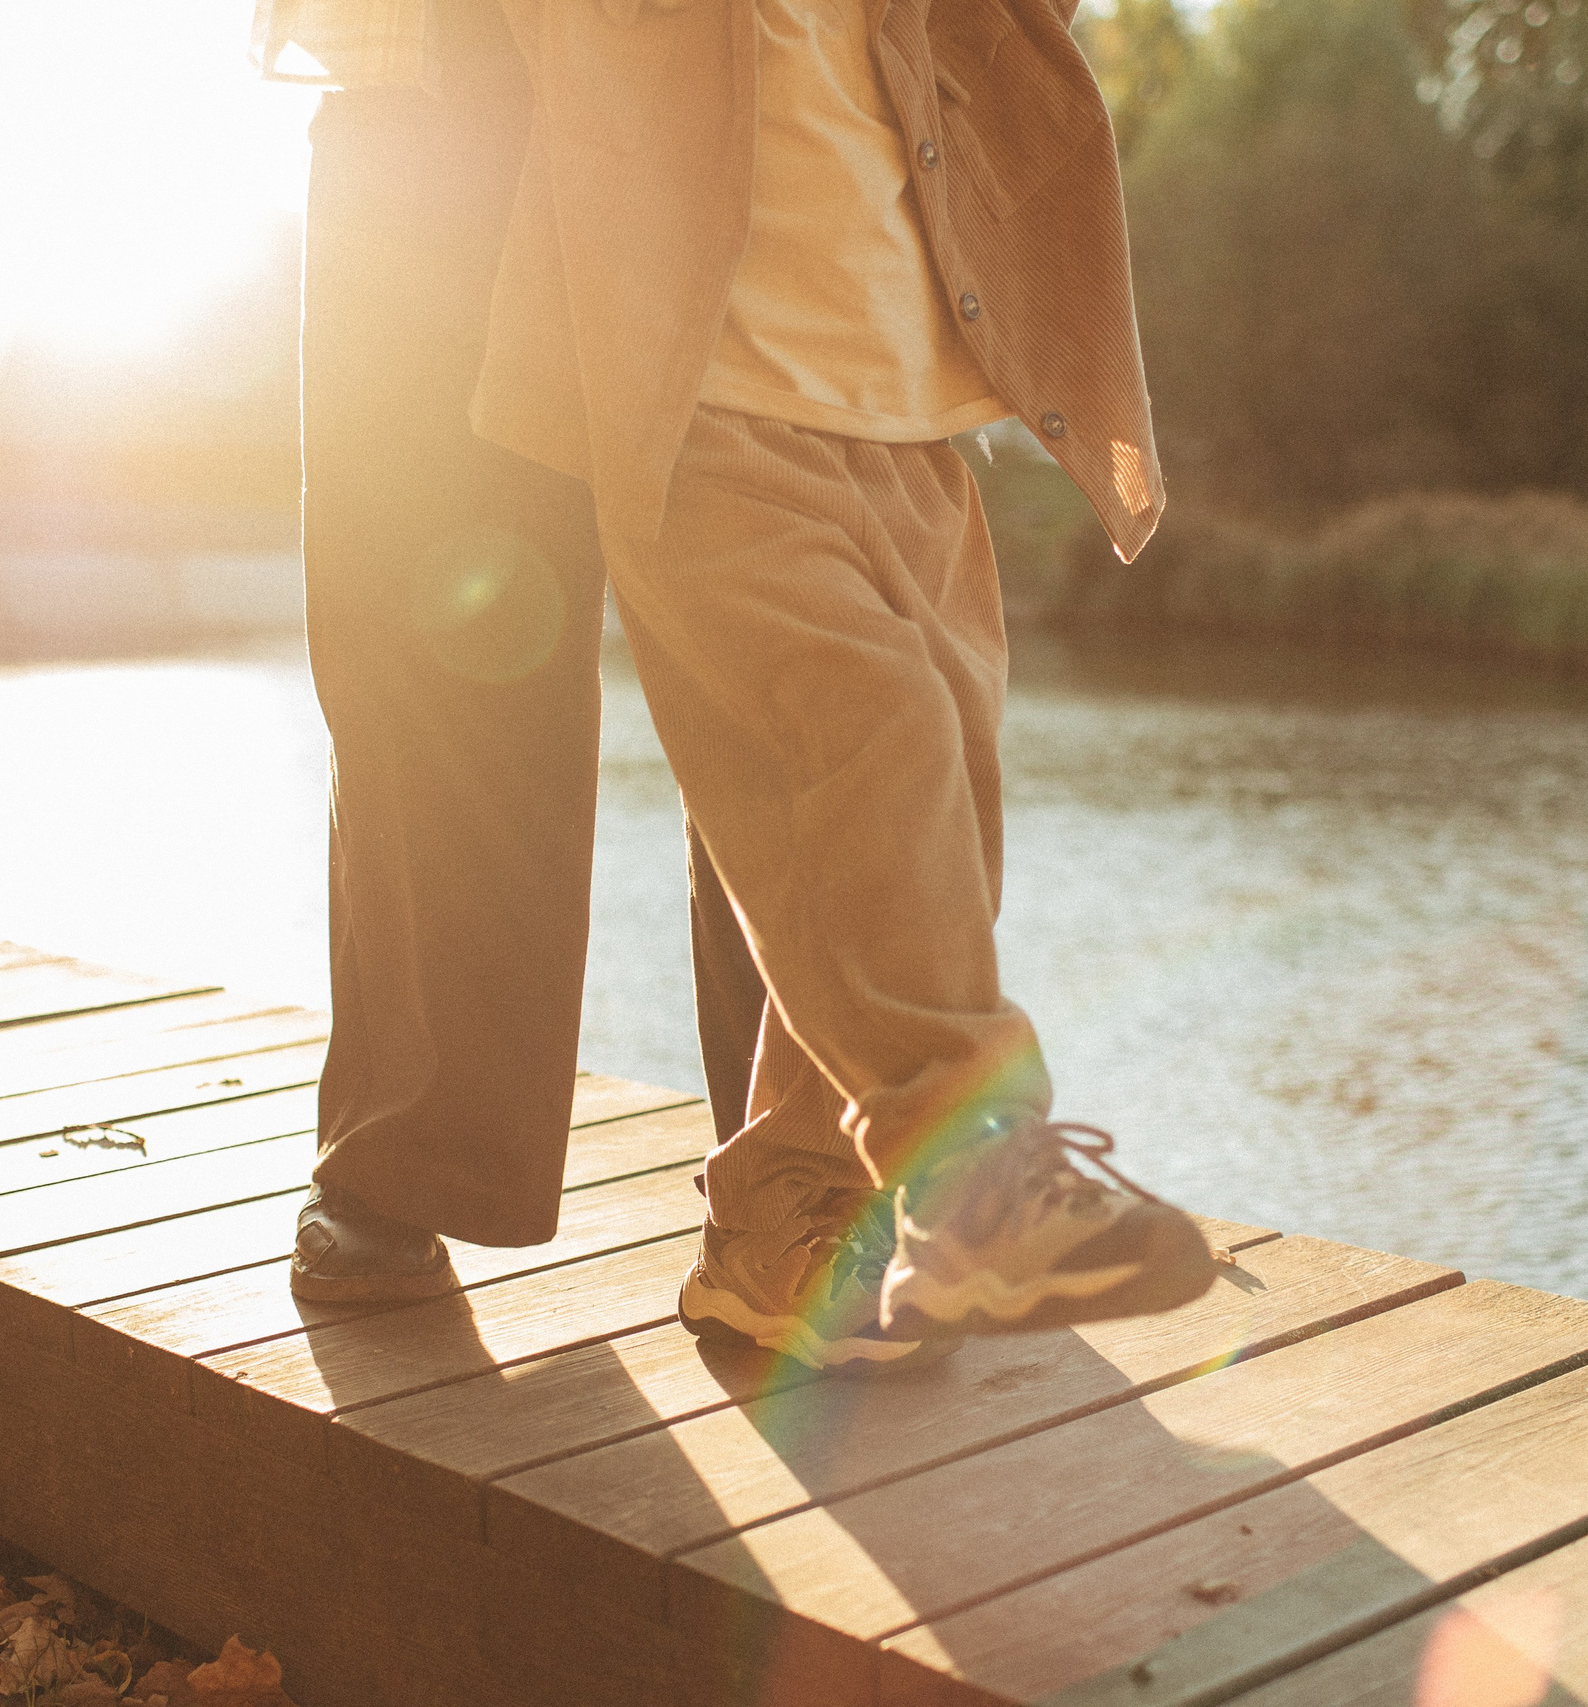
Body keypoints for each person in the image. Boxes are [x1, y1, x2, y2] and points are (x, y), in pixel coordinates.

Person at [463, 0, 1227, 1361]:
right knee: (872, 751)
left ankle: (777, 1225)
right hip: (709, 423)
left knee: (924, 834)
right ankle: (977, 1175)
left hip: (918, 438)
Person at [281, 0, 775, 1299]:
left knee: (775, 621)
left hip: (737, 70)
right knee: (440, 619)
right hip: (435, 92)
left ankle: (813, 1175)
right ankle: (419, 1153)